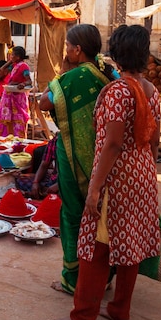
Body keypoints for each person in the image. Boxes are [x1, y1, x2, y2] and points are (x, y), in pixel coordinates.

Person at [46, 24, 161, 320]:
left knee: (96, 247)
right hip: (143, 175)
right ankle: (120, 309)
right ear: (144, 56)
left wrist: (95, 189)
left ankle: (82, 317)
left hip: (117, 177)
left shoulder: (117, 91)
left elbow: (111, 143)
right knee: (130, 242)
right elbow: (154, 142)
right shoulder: (152, 91)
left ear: (116, 56)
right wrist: (144, 173)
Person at [39, 23, 117, 295]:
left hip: (74, 156)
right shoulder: (108, 73)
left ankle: (73, 279)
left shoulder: (73, 78)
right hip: (106, 158)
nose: (66, 50)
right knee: (103, 216)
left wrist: (62, 70)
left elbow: (43, 103)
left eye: (68, 46)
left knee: (72, 214)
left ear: (77, 50)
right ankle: (104, 275)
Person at [0, 46, 32, 137]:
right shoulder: (14, 66)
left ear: (18, 57)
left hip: (18, 97)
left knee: (18, 119)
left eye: (12, 55)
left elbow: (29, 81)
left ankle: (19, 138)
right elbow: (2, 69)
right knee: (8, 120)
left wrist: (22, 84)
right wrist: (10, 61)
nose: (11, 56)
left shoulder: (24, 67)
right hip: (9, 96)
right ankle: (8, 137)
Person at [14, 133, 59, 199]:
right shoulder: (54, 142)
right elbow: (44, 165)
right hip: (53, 179)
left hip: (70, 183)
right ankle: (44, 193)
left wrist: (59, 186)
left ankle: (46, 194)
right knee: (20, 181)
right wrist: (36, 182)